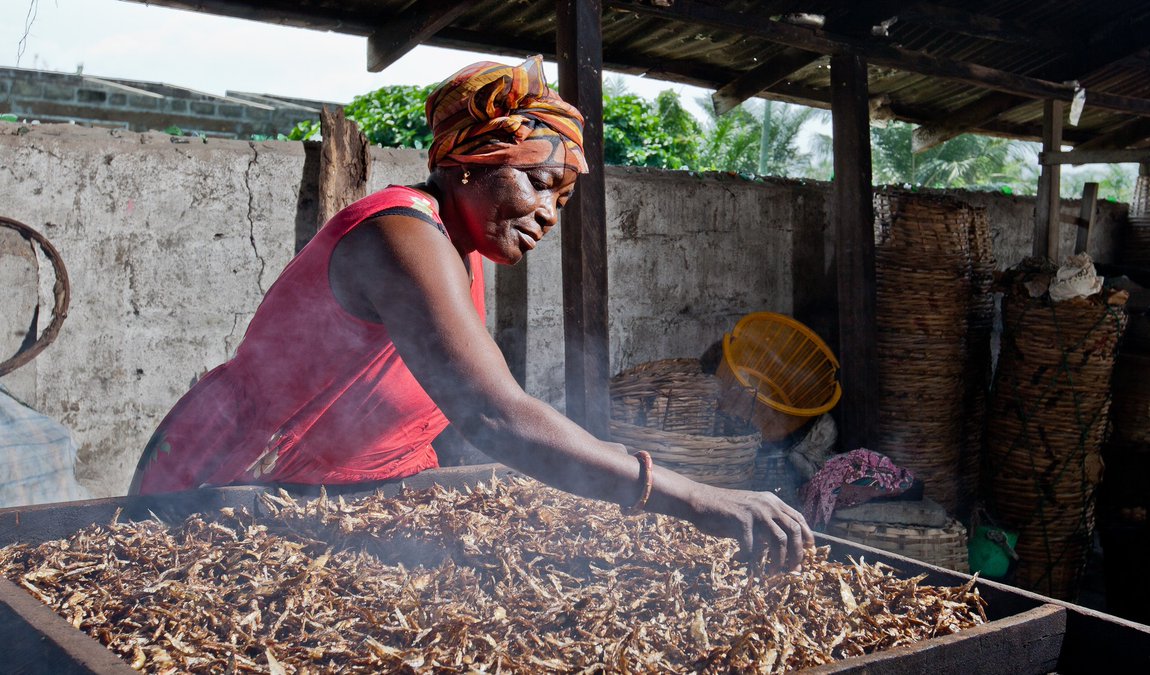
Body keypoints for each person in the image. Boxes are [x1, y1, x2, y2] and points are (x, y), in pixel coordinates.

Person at [130, 56, 814, 571]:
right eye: (538, 182)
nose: (548, 213)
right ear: (468, 161)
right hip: (230, 488)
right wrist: (695, 497)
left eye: (561, 199)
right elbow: (493, 415)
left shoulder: (463, 246)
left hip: (337, 497)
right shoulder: (401, 235)